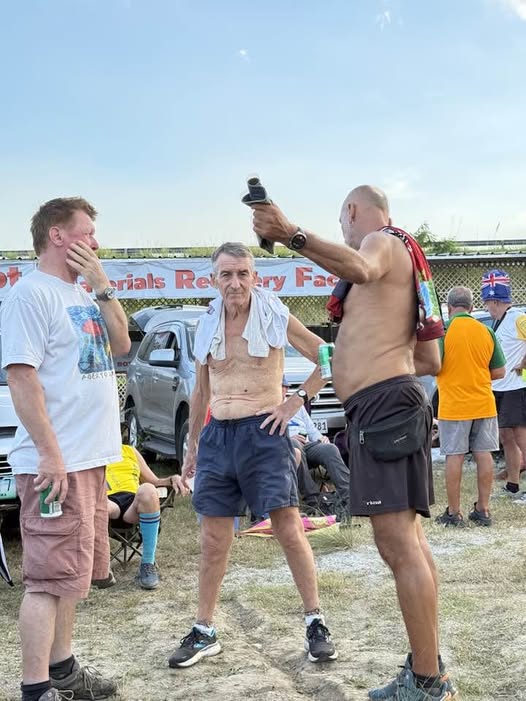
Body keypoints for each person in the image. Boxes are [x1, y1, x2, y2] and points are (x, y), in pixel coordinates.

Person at [252, 186, 454, 700]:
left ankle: (427, 683)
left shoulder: (381, 241)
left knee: (398, 545)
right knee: (408, 544)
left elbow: (360, 268)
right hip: (388, 405)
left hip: (384, 408)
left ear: (352, 211)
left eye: (342, 222)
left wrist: (291, 234)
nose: (343, 233)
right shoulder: (403, 262)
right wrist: (382, 353)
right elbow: (430, 360)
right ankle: (428, 669)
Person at [169, 242, 338, 669]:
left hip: (265, 432)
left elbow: (327, 355)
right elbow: (201, 391)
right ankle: (204, 630)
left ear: (255, 277)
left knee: (287, 528)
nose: (235, 283)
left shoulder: (274, 314)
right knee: (213, 539)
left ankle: (315, 622)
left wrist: (295, 402)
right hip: (218, 436)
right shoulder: (207, 322)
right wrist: (192, 447)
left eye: (243, 273)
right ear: (214, 280)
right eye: (226, 274)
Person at [0, 197, 131, 701]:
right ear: (58, 235)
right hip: (56, 464)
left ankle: (64, 670)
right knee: (46, 580)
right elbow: (21, 378)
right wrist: (50, 455)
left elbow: (122, 344)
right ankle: (36, 689)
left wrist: (102, 285)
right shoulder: (30, 295)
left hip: (89, 460)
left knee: (70, 577)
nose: (95, 242)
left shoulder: (81, 292)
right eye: (87, 232)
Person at [434, 286, 505, 527]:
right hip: (484, 403)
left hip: (454, 405)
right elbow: (499, 371)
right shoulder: (486, 331)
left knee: (454, 456)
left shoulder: (443, 332)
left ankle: (454, 513)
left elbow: (433, 365)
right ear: (472, 307)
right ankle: (483, 510)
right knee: (484, 454)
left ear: (449, 307)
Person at [103, 443, 188, 589]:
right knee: (98, 503)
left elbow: (154, 481)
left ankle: (148, 564)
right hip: (107, 502)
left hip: (132, 503)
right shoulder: (89, 454)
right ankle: (102, 567)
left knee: (148, 489)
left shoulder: (129, 451)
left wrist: (172, 478)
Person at [482, 269, 526, 502]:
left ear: (496, 301)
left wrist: (523, 363)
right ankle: (513, 483)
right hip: (498, 388)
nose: (487, 307)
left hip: (515, 388)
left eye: (487, 303)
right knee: (506, 437)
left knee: (521, 436)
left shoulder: (518, 317)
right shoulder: (498, 322)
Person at [282, 376, 350, 512]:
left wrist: (321, 438)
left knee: (330, 448)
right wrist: (288, 438)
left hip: (307, 444)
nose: (283, 390)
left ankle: (350, 496)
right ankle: (313, 500)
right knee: (294, 444)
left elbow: (311, 428)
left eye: (285, 387)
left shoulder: (296, 404)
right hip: (286, 447)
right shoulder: (268, 408)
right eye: (280, 387)